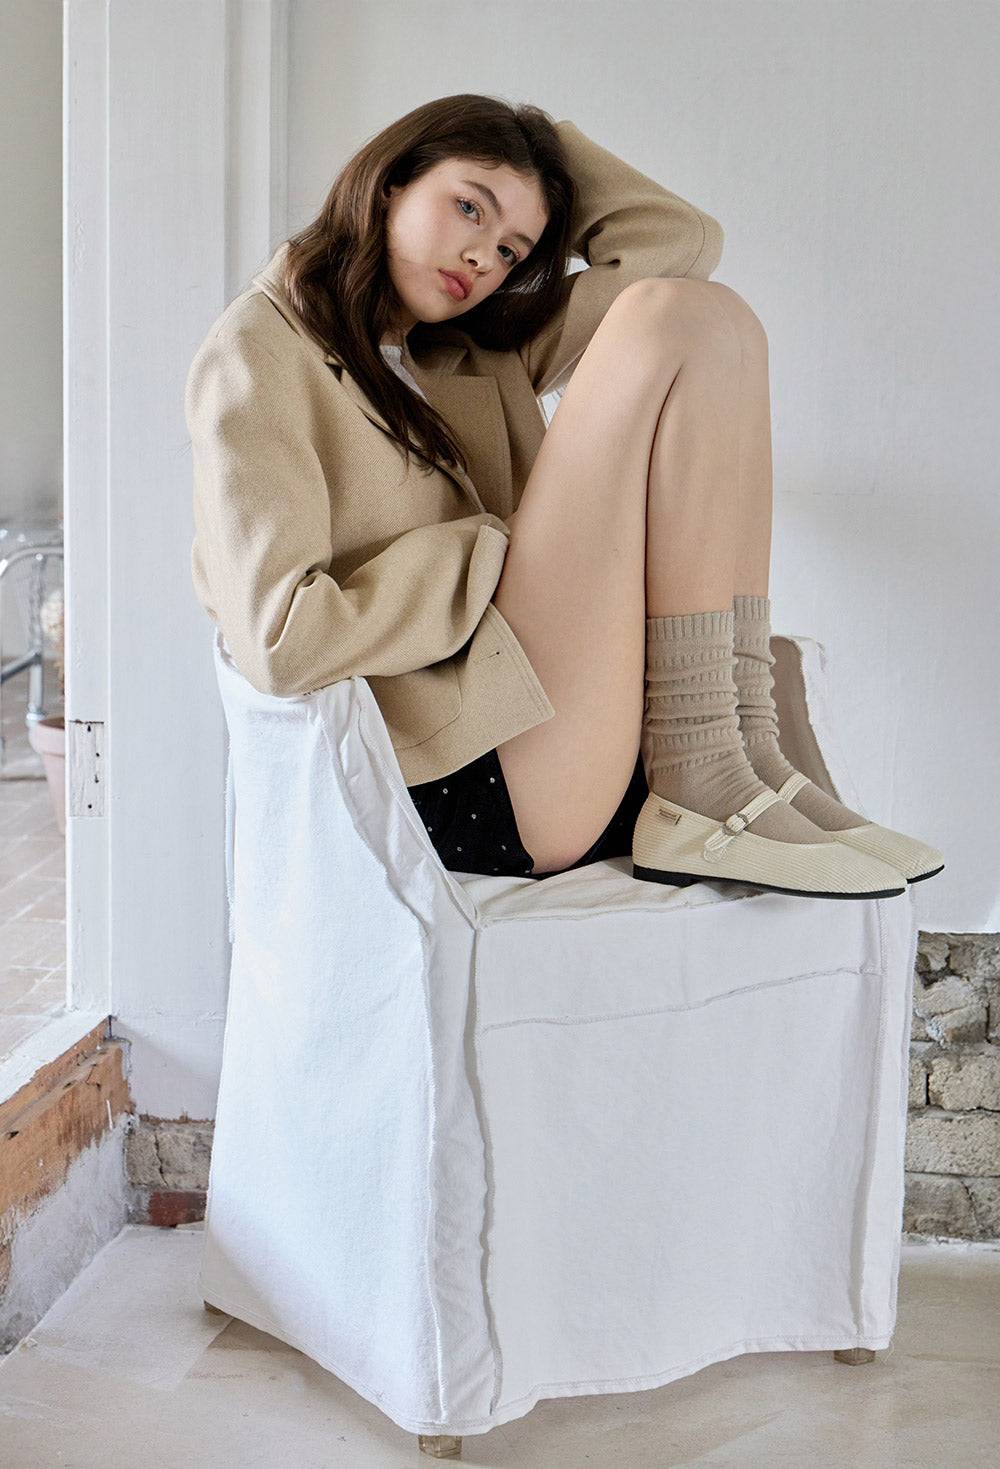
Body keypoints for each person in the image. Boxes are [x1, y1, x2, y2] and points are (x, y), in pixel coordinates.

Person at [186, 93, 943, 898]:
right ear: (388, 182)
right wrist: (497, 551)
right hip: (458, 774)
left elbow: (680, 243)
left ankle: (735, 751)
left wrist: (540, 149)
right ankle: (702, 775)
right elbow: (281, 637)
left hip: (566, 732)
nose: (483, 257)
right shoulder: (260, 351)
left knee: (720, 323)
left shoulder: (473, 349)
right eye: (467, 207)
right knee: (665, 318)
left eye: (512, 248)